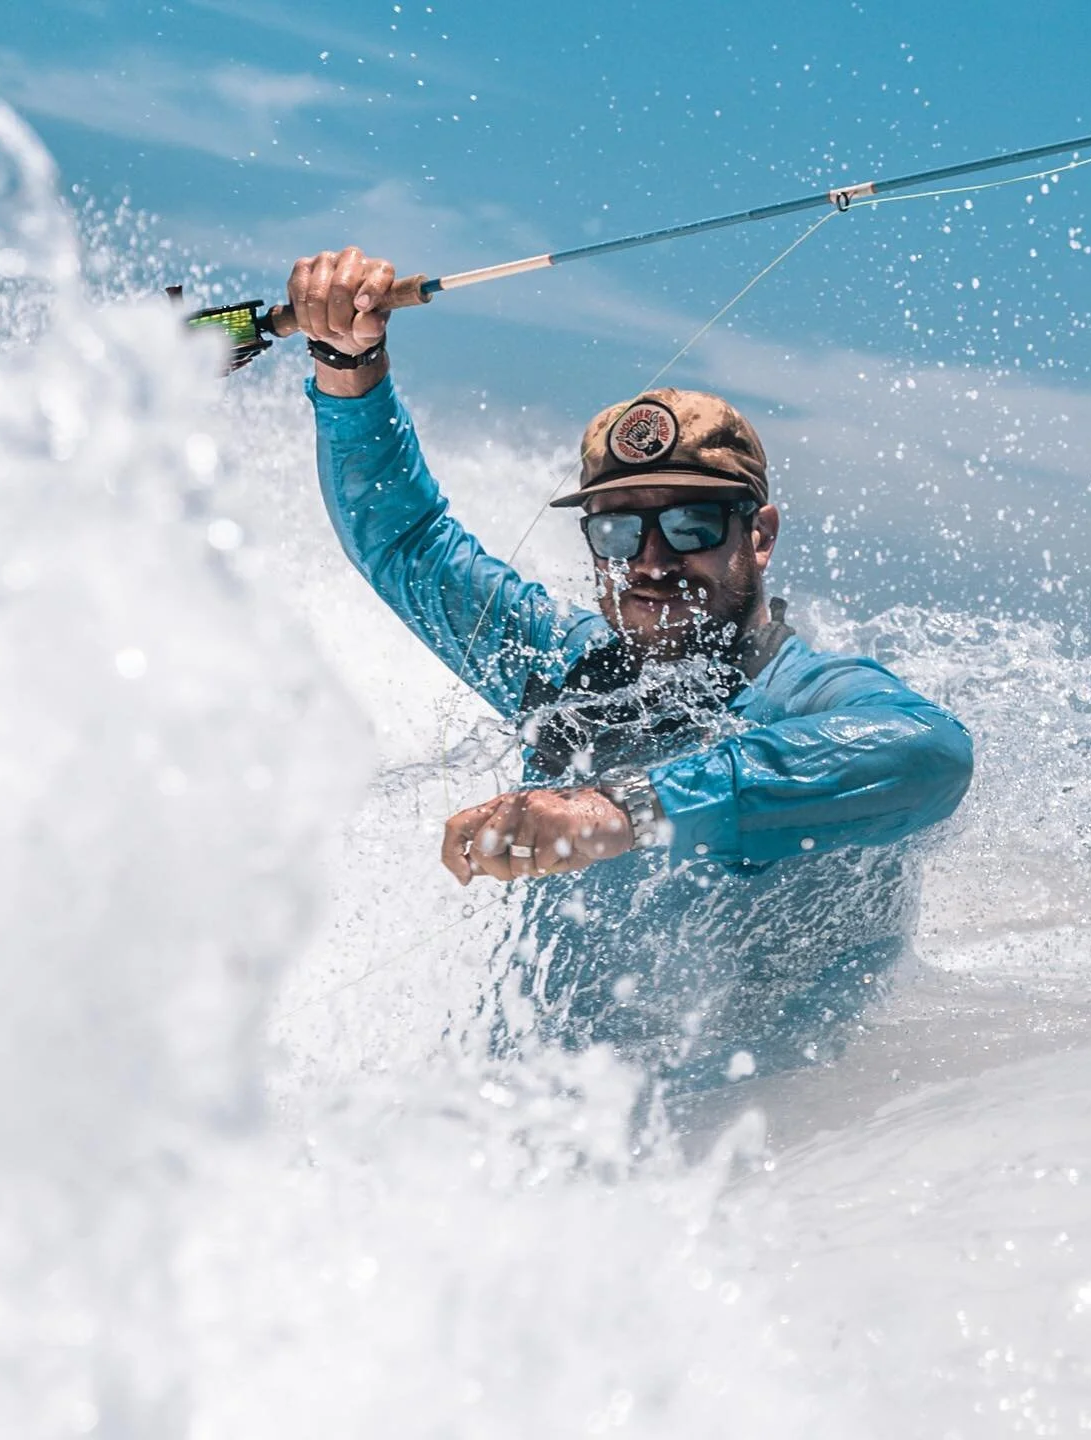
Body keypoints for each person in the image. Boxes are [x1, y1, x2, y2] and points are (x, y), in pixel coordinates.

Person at [291, 246, 974, 1093]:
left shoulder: (807, 697)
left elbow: (931, 754)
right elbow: (404, 541)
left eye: (689, 526)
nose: (649, 561)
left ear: (757, 534)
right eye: (616, 532)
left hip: (778, 1160)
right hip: (541, 1147)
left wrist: (619, 808)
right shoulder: (563, 671)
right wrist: (348, 365)